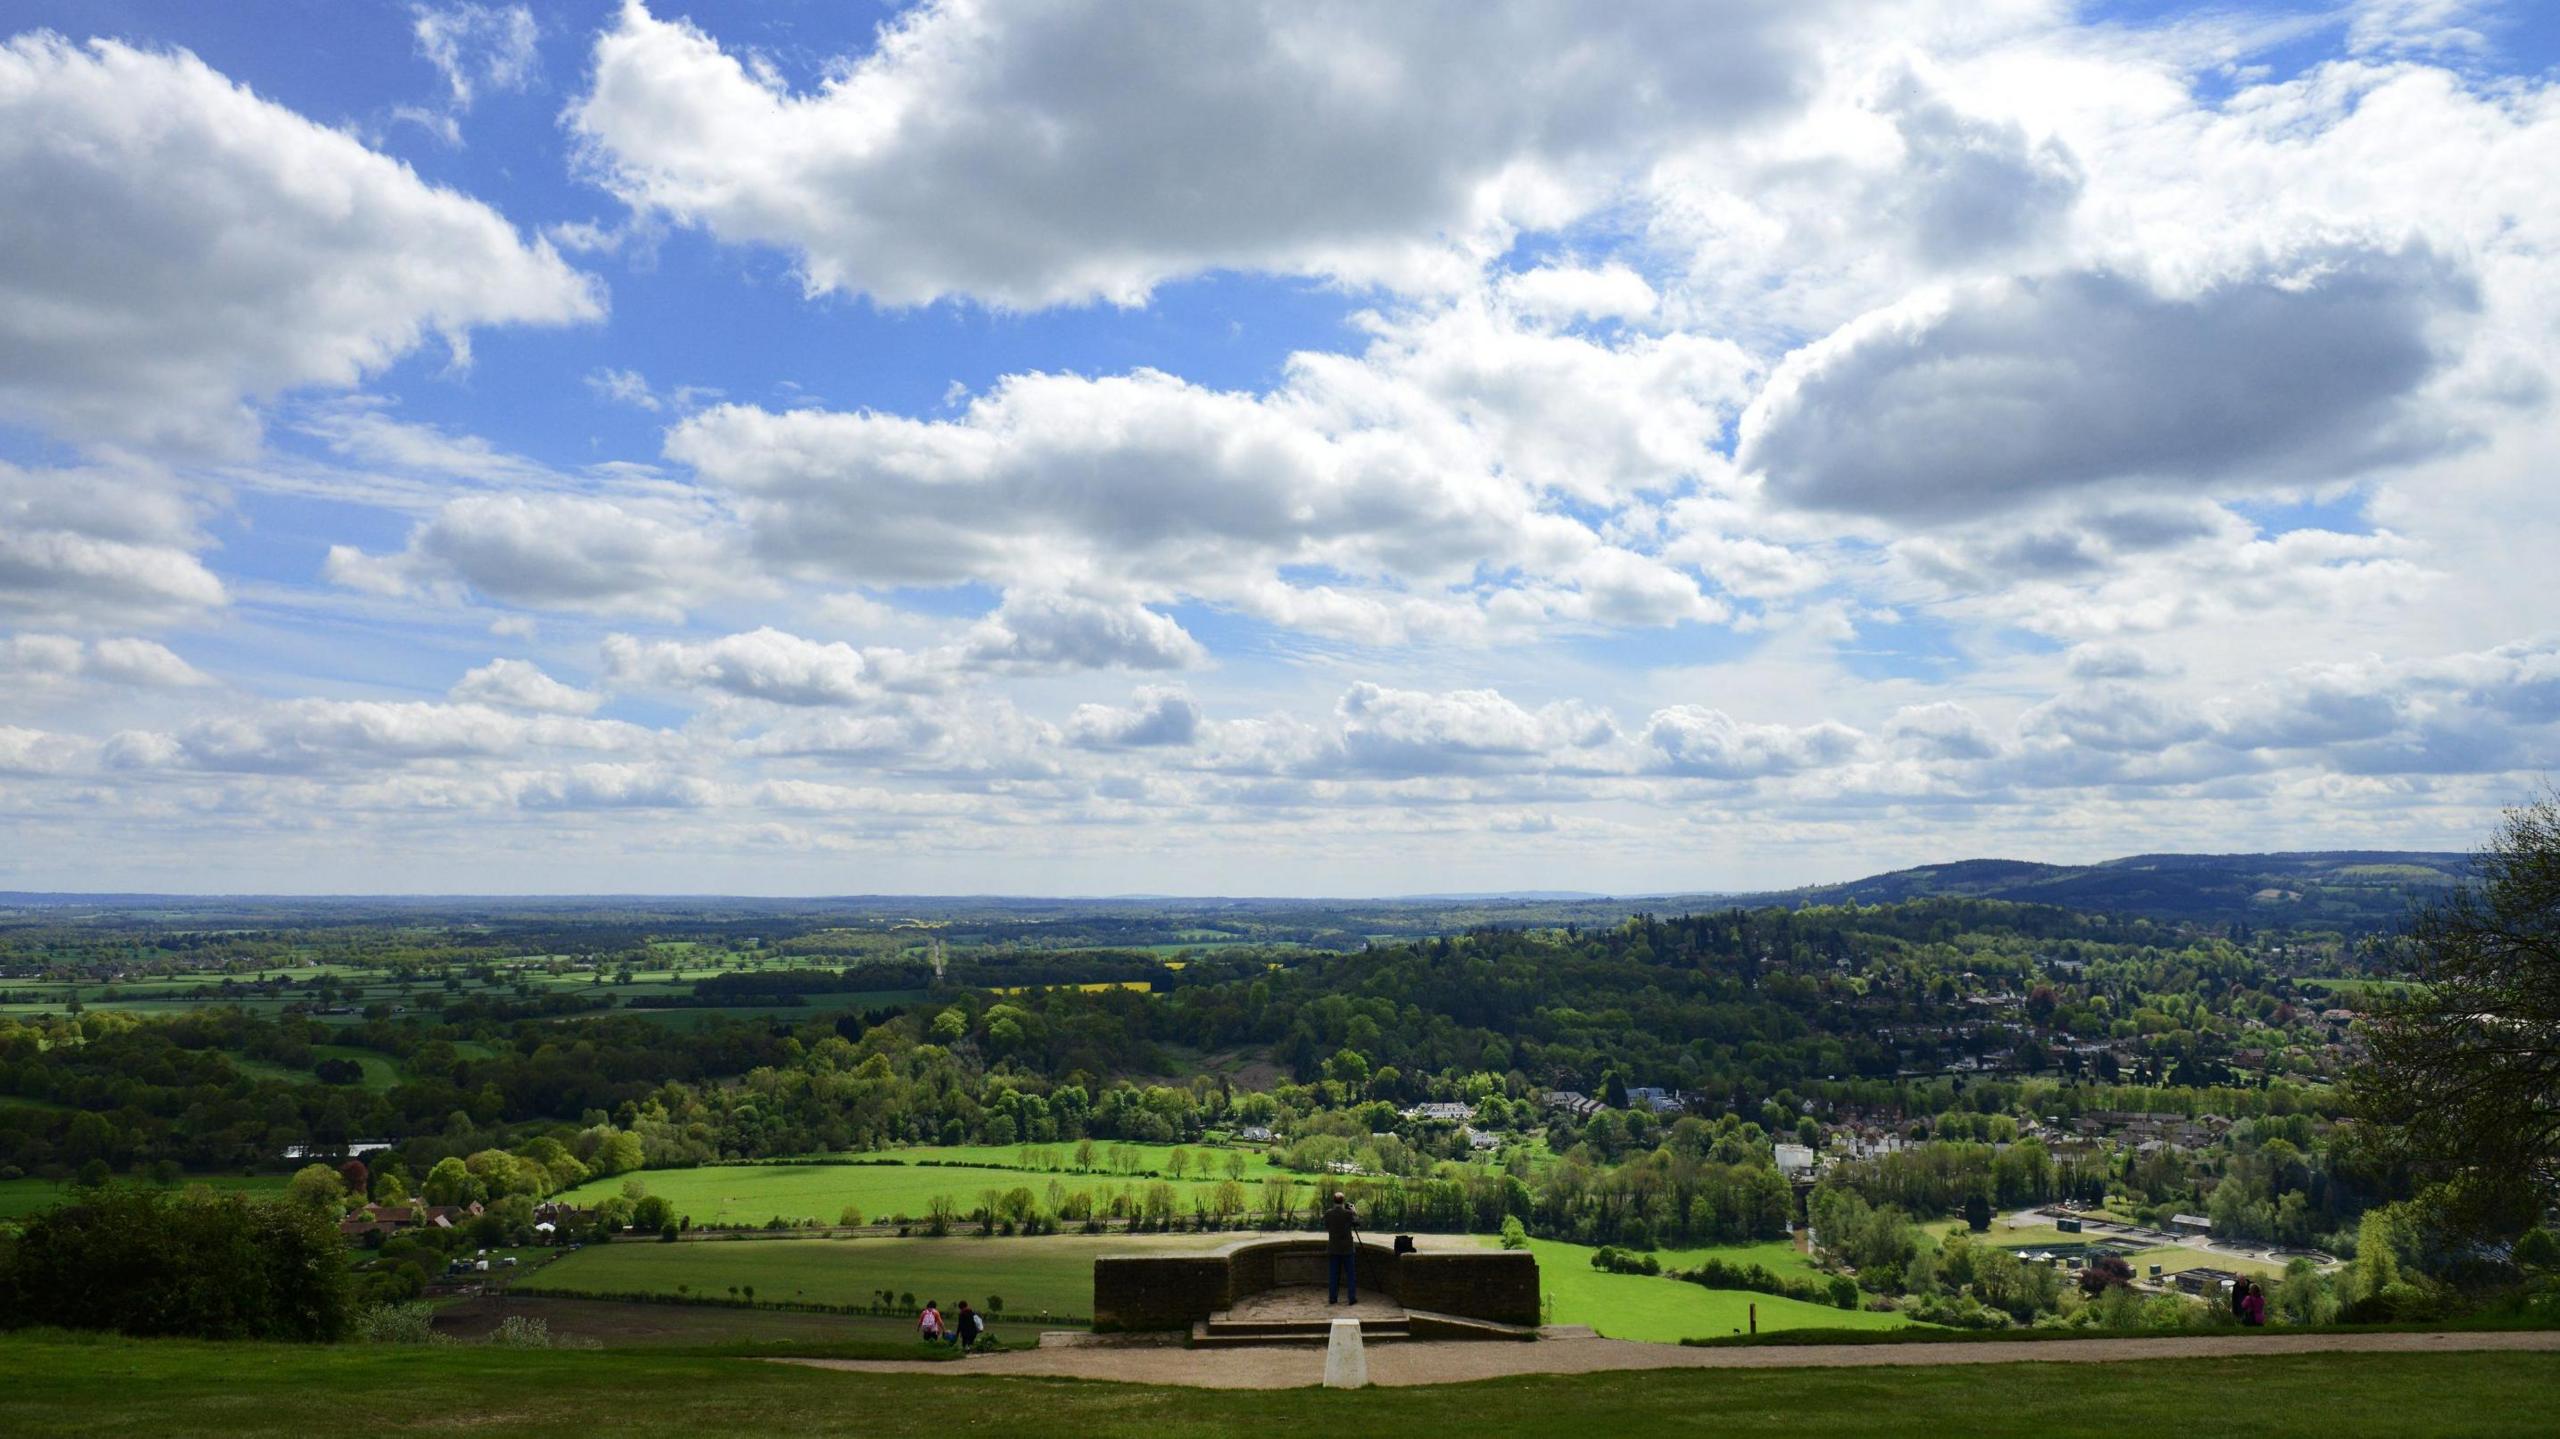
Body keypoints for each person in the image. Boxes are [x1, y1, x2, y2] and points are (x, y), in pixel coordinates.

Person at [1324, 1190, 1359, 1305]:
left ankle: (1333, 1298)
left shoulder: (1328, 1213)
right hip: (1347, 1248)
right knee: (1350, 1275)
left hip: (1333, 1248)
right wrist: (1354, 1212)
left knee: (1333, 1275)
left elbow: (1327, 1227)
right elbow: (1357, 1223)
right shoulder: (1348, 1214)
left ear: (1334, 1201)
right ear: (1343, 1201)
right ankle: (1351, 1298)